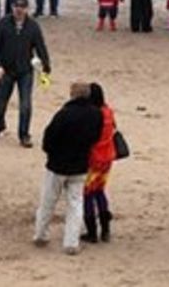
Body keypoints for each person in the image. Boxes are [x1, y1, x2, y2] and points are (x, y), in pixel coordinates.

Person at [32, 82, 103, 255]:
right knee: (76, 204)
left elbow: (49, 138)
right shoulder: (96, 115)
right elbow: (95, 137)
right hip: (80, 165)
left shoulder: (64, 114)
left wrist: (51, 153)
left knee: (48, 201)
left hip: (57, 165)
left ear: (72, 94)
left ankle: (41, 234)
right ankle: (71, 242)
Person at [0, 0, 51, 148]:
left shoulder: (33, 26)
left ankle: (24, 134)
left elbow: (40, 47)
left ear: (26, 9)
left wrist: (46, 66)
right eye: (17, 7)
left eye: (22, 7)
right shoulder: (2, 24)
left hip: (25, 71)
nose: (19, 10)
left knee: (25, 104)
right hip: (6, 70)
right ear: (12, 7)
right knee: (0, 103)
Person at [81, 83, 116, 243]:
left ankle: (92, 232)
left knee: (87, 194)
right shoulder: (108, 112)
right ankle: (105, 229)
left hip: (94, 159)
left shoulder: (93, 115)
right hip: (107, 158)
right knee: (99, 191)